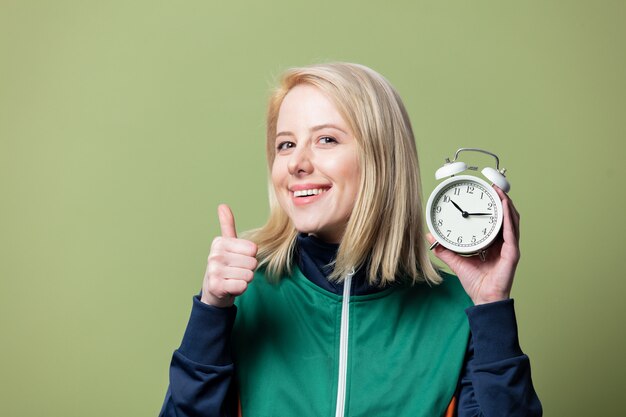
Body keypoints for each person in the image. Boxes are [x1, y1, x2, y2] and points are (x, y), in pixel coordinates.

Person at [159, 62, 542, 417]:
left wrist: (492, 309)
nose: (297, 163)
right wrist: (212, 313)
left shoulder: (461, 315)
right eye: (286, 144)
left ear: (382, 157)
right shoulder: (244, 300)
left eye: (325, 139)